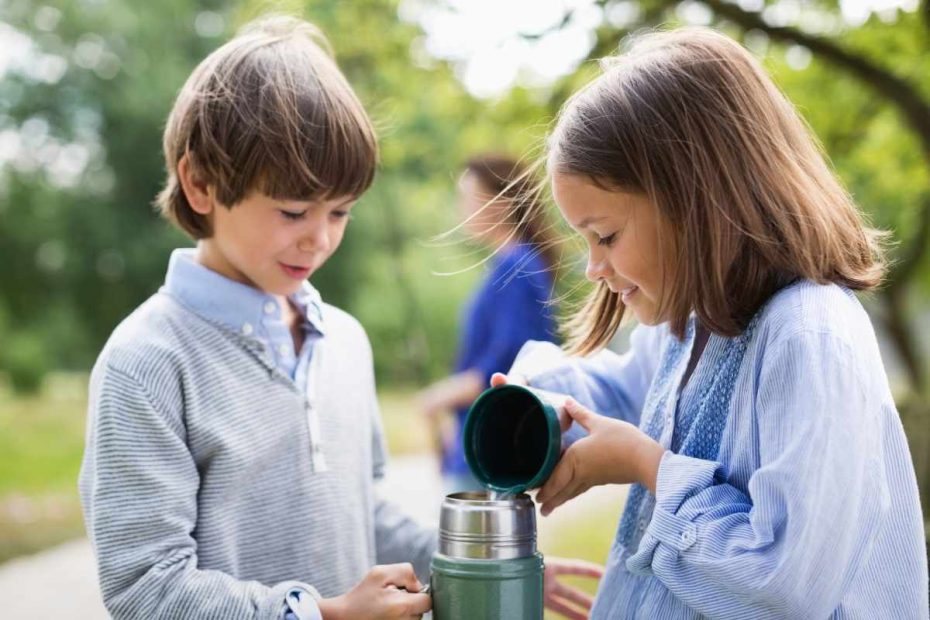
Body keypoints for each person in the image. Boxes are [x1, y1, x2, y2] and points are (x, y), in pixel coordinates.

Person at [494, 27, 929, 618]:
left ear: (695, 202)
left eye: (606, 235)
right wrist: (538, 404)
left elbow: (782, 586)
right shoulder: (692, 325)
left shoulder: (809, 338)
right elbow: (622, 395)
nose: (594, 267)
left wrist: (648, 468)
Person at [78, 17, 435, 619]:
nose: (319, 240)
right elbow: (145, 588)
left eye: (341, 213)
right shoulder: (147, 361)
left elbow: (359, 510)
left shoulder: (346, 340)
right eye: (294, 211)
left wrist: (481, 564)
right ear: (200, 184)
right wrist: (324, 614)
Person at [418, 155, 560, 494]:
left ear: (500, 201)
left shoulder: (518, 268)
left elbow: (508, 362)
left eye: (467, 196)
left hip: (491, 443)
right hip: (480, 435)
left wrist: (439, 398)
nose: (461, 209)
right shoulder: (508, 265)